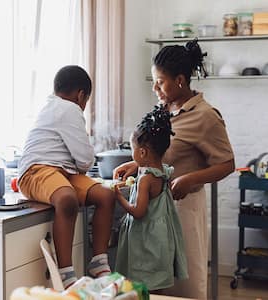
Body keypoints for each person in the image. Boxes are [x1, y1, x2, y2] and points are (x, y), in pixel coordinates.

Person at [114, 39, 235, 299]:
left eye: (160, 81)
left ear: (180, 80)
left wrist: (190, 179)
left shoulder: (205, 116)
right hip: (156, 210)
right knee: (156, 280)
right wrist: (136, 164)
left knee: (185, 283)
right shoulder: (163, 109)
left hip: (184, 208)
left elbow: (227, 163)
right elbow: (160, 153)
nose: (155, 87)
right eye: (154, 81)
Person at [18, 65, 115, 288]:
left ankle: (98, 262)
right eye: (86, 101)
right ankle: (66, 273)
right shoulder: (70, 109)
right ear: (81, 95)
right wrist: (82, 164)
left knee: (105, 196)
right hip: (36, 170)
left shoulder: (51, 106)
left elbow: (78, 162)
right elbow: (84, 159)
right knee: (67, 199)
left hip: (62, 171)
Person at [114, 105, 188, 292]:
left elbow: (139, 212)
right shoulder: (162, 170)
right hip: (159, 238)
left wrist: (119, 198)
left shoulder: (146, 178)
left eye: (132, 149)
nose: (132, 154)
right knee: (155, 286)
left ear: (143, 152)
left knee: (141, 284)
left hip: (145, 240)